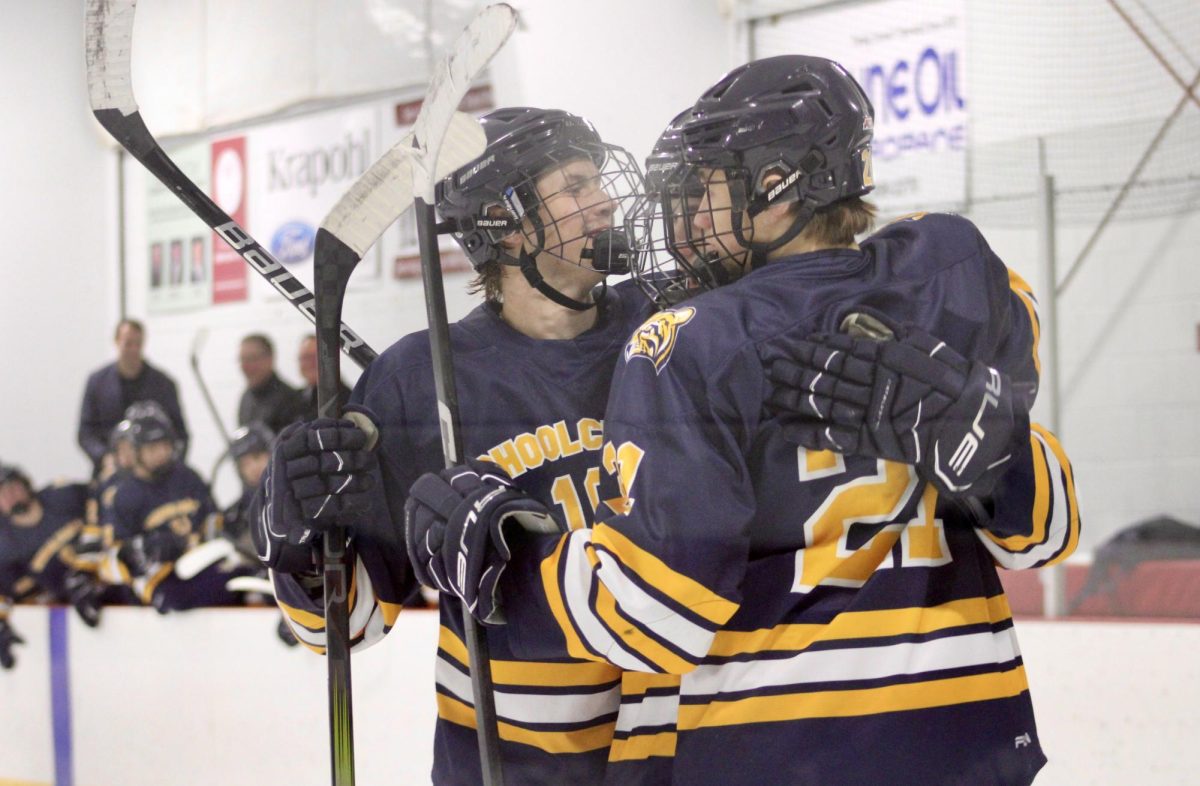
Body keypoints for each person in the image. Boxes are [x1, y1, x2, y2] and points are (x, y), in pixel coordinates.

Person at [404, 57, 1081, 785]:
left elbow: (656, 615)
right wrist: (990, 438)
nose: (685, 221)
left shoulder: (687, 340)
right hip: (965, 745)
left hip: (773, 754)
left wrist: (511, 563)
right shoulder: (948, 272)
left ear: (777, 190)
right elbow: (1045, 534)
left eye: (703, 193)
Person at [250, 106, 650, 784]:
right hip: (508, 768)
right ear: (510, 222)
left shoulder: (670, 329)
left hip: (672, 754)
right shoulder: (415, 379)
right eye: (578, 186)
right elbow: (345, 628)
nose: (606, 201)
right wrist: (297, 540)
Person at [96, 411, 229, 612]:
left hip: (201, 566)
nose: (162, 453)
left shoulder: (187, 477)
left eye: (165, 445)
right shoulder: (123, 495)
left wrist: (222, 533)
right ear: (136, 451)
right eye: (153, 447)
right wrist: (145, 549)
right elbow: (112, 560)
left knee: (237, 581)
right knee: (177, 599)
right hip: (160, 579)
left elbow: (213, 519)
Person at [0, 463, 99, 670]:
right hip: (70, 604)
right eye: (2, 494)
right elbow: (9, 591)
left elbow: (108, 498)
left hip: (104, 578)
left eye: (13, 488)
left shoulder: (63, 495)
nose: (10, 496)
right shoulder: (5, 545)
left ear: (26, 485)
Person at [78, 319, 189, 474]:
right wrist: (104, 457)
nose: (133, 349)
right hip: (111, 468)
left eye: (138, 344)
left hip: (155, 474)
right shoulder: (98, 383)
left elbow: (180, 433)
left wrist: (165, 460)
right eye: (128, 343)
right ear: (117, 342)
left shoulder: (163, 384)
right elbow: (85, 433)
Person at [237, 334, 306, 434]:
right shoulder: (246, 398)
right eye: (242, 360)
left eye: (251, 359)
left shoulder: (290, 400)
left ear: (270, 359)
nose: (245, 366)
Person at [297, 334, 350, 420]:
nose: (309, 363)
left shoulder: (348, 400)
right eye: (305, 358)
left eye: (314, 357)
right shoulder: (294, 399)